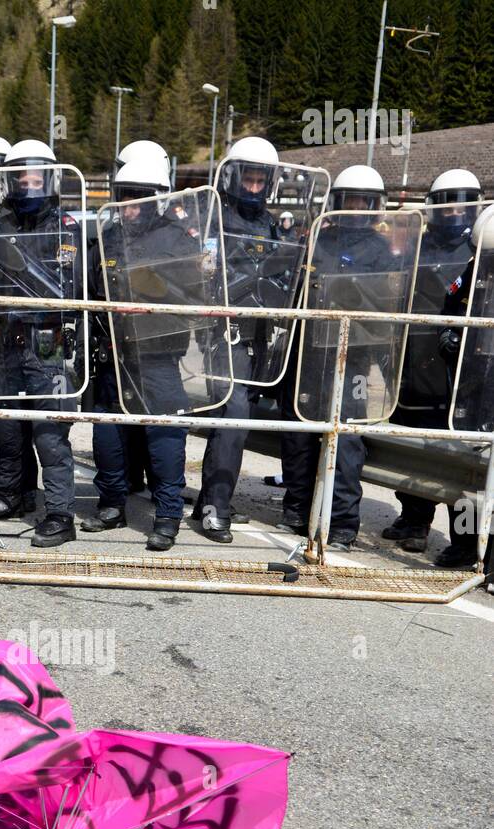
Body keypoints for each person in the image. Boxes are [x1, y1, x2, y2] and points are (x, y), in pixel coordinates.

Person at [279, 165, 398, 550]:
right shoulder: (319, 239)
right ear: (338, 202)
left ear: (375, 206)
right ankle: (298, 507)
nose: (357, 208)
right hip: (311, 353)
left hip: (356, 358)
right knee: (300, 432)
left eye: (364, 201)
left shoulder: (382, 252)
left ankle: (343, 521)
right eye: (350, 200)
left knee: (346, 440)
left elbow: (386, 305)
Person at [83, 155, 196, 551]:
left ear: (158, 199)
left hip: (158, 354)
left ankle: (167, 515)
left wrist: (151, 298)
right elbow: (90, 287)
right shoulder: (106, 235)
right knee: (107, 434)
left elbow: (194, 296)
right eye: (124, 197)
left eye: (138, 199)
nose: (128, 207)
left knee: (164, 436)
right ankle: (112, 503)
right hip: (112, 351)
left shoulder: (179, 239)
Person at [0, 138, 83, 546]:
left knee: (49, 430)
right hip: (5, 337)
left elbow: (72, 285)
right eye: (20, 175)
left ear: (49, 177)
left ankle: (60, 513)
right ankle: (12, 493)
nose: (27, 183)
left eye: (34, 174)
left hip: (48, 339)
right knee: (6, 427)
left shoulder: (65, 225)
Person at [382, 168, 481, 553]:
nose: (455, 214)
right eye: (448, 206)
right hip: (415, 362)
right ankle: (414, 519)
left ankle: (465, 540)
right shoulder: (416, 249)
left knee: (463, 464)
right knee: (411, 445)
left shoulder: (481, 252)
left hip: (461, 372)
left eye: (463, 206)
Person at [194, 136, 285, 543]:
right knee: (233, 420)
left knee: (235, 422)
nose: (252, 187)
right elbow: (205, 272)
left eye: (258, 180)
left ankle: (212, 500)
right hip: (224, 333)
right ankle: (215, 510)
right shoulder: (213, 216)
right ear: (233, 177)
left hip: (260, 335)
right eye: (246, 179)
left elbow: (284, 273)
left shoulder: (269, 223)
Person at [435, 204, 494, 571]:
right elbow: (450, 306)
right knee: (465, 465)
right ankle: (463, 544)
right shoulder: (473, 270)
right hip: (473, 377)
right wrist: (449, 335)